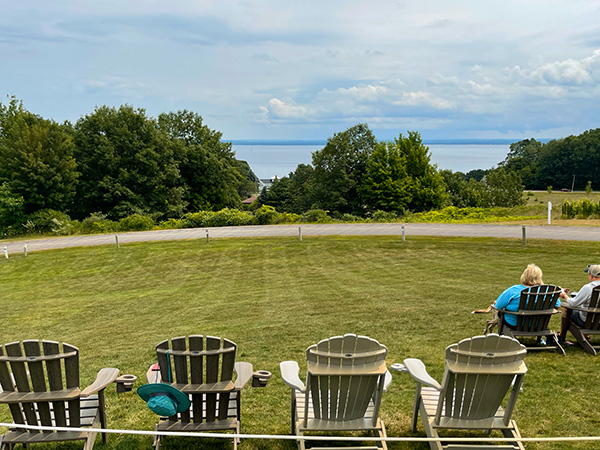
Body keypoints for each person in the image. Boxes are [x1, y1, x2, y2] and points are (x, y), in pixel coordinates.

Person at [494, 264, 558, 329]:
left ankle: (501, 335)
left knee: (500, 313)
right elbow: (558, 305)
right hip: (538, 325)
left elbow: (498, 306)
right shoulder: (548, 291)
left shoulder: (514, 290)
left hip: (514, 324)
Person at [559, 264, 600, 342]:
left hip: (587, 322)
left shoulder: (588, 288)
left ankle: (561, 337)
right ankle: (586, 336)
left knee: (567, 310)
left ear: (591, 276)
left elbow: (573, 303)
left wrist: (564, 295)